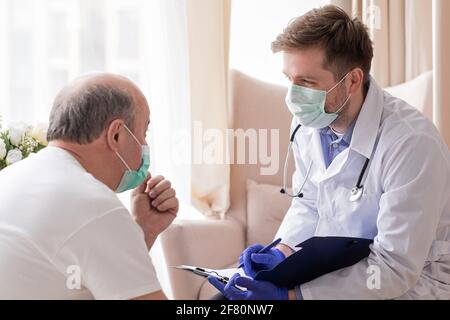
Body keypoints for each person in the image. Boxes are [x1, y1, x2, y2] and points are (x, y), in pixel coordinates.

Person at [209, 5, 450, 300]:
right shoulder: (309, 121)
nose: (293, 96)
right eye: (289, 79)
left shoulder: (411, 143)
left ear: (352, 80)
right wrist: (281, 253)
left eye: (307, 82)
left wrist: (293, 297)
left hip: (412, 285)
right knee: (225, 301)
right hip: (340, 270)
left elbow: (394, 268)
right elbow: (309, 202)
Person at [0, 73, 179, 299]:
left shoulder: (11, 177)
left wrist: (143, 230)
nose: (145, 145)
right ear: (116, 135)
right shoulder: (96, 206)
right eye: (144, 133)